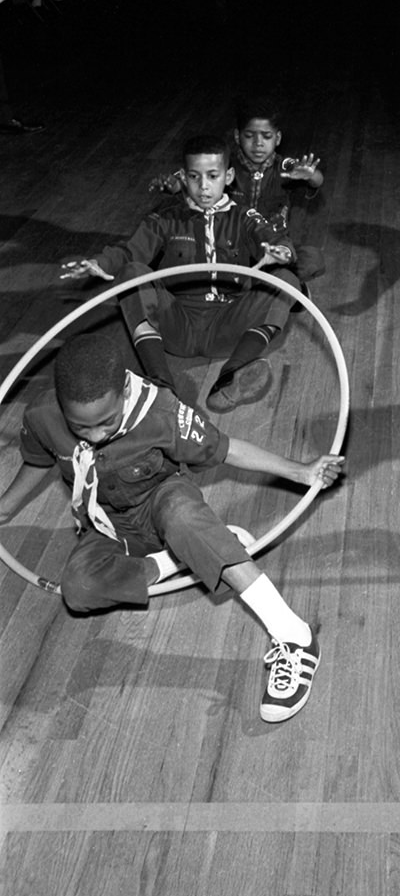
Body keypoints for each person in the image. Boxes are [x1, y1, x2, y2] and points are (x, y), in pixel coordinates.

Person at [0, 333, 344, 723]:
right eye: (81, 428)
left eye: (106, 422)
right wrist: (6, 509)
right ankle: (185, 556)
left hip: (162, 500)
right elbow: (38, 458)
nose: (95, 436)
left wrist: (301, 470)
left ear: (125, 390)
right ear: (61, 407)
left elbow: (227, 449)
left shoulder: (162, 412)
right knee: (78, 590)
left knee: (181, 513)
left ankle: (294, 636)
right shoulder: (42, 415)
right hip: (106, 525)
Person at [60, 133, 301, 413]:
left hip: (227, 323)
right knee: (132, 272)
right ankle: (162, 385)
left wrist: (280, 251)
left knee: (286, 280)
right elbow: (129, 252)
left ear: (229, 175)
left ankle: (231, 376)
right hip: (178, 324)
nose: (203, 186)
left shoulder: (244, 217)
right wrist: (97, 263)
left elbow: (273, 238)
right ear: (183, 177)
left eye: (212, 176)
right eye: (194, 177)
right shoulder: (165, 218)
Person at [148, 95, 326, 288]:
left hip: (269, 248)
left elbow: (316, 180)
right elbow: (190, 178)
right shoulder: (224, 164)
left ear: (278, 138)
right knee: (172, 247)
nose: (258, 143)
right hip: (227, 245)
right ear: (237, 136)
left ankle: (261, 283)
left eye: (266, 136)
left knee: (311, 259)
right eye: (249, 136)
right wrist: (173, 185)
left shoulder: (285, 166)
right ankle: (265, 286)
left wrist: (309, 175)